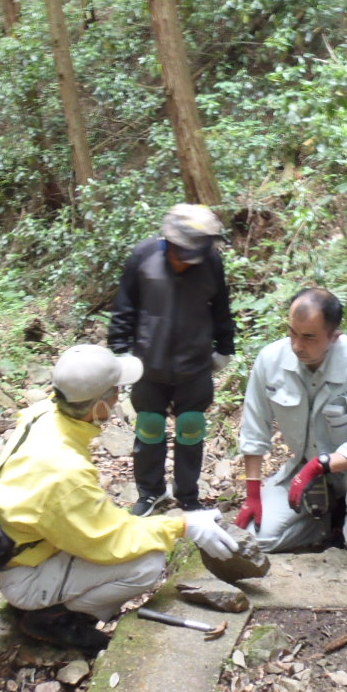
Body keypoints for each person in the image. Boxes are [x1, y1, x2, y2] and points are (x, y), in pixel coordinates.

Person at [0, 344, 239, 652]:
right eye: (115, 391)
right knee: (147, 564)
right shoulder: (64, 471)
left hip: (18, 548)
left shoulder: (44, 415)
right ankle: (55, 617)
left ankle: (51, 597)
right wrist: (183, 526)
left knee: (127, 533)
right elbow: (109, 542)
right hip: (25, 573)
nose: (120, 397)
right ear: (98, 406)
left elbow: (86, 518)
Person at [235, 288, 347, 552]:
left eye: (308, 337)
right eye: (292, 332)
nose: (296, 345)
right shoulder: (271, 360)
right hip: (302, 476)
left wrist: (321, 464)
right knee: (256, 540)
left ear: (334, 337)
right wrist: (252, 495)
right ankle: (323, 523)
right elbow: (254, 429)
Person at [109, 204, 236, 516]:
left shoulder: (211, 262)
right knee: (149, 427)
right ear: (170, 244)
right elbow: (124, 306)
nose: (186, 262)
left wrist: (224, 348)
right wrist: (120, 350)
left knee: (191, 427)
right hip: (149, 364)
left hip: (195, 363)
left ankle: (188, 494)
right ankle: (150, 492)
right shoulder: (144, 256)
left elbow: (220, 307)